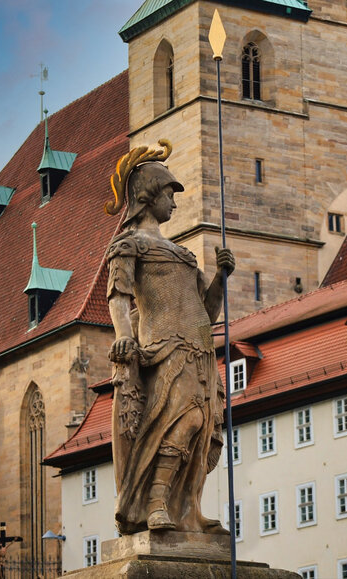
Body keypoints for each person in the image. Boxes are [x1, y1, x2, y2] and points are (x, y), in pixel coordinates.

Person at [105, 140, 234, 535]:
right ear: (147, 196)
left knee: (200, 427)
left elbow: (207, 311)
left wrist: (221, 278)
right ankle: (156, 501)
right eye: (168, 194)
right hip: (165, 347)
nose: (174, 204)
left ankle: (188, 509)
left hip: (199, 348)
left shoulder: (182, 253)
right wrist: (125, 336)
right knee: (182, 420)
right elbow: (118, 296)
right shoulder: (129, 246)